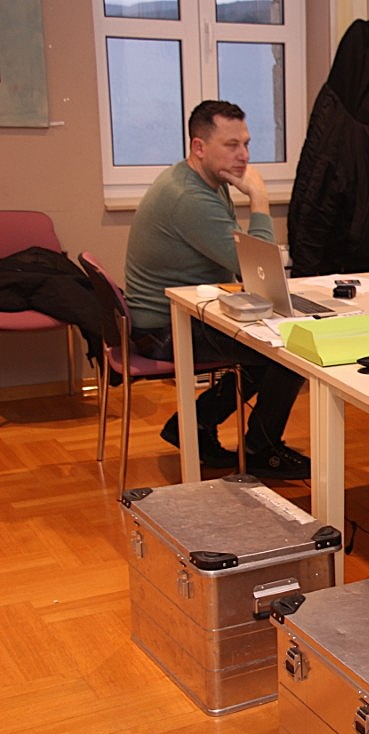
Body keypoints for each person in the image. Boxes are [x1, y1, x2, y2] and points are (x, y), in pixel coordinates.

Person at [125, 100, 310, 480]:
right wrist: (259, 199)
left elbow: (242, 263)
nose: (244, 156)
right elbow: (254, 267)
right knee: (289, 350)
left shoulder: (204, 182)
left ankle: (195, 423)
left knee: (267, 347)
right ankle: (261, 449)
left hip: (178, 314)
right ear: (199, 147)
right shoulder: (188, 197)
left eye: (246, 144)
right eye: (231, 145)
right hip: (163, 330)